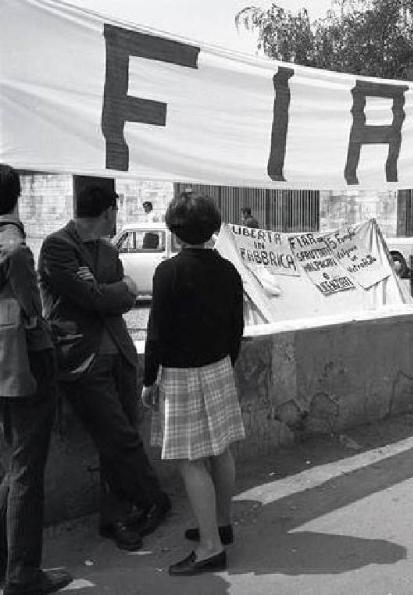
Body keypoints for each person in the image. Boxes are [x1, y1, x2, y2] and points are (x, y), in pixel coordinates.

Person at [37, 185, 171, 552]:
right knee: (119, 437)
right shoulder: (57, 246)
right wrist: (116, 289)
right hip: (83, 358)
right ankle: (154, 499)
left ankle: (115, 517)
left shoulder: (108, 250)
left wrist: (113, 290)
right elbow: (91, 297)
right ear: (108, 211)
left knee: (119, 438)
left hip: (120, 355)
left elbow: (119, 300)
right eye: (117, 209)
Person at [142, 192, 245, 576]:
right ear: (211, 228)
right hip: (218, 367)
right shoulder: (228, 271)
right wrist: (225, 362)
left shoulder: (168, 272)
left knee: (190, 459)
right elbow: (237, 326)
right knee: (221, 450)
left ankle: (210, 547)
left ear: (175, 230)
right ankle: (221, 523)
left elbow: (156, 333)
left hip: (182, 373)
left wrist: (148, 379)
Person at [0, 164, 73, 594]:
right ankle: (23, 571)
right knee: (27, 468)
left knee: (12, 466)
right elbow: (32, 313)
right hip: (25, 364)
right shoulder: (16, 249)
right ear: (16, 196)